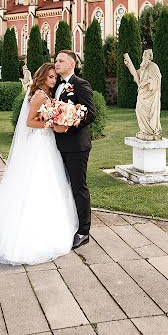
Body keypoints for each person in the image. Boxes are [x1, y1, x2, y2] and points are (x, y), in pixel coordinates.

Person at [0, 62, 78, 265]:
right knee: (38, 182)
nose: (54, 80)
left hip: (45, 142)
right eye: (51, 77)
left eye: (55, 77)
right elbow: (29, 122)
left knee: (50, 182)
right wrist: (51, 123)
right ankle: (29, 236)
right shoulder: (41, 94)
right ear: (42, 77)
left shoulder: (43, 93)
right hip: (39, 143)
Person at [54, 50, 96, 249]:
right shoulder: (55, 85)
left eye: (61, 61)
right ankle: (67, 223)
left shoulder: (81, 85)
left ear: (72, 64)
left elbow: (90, 114)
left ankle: (83, 232)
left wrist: (68, 124)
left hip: (76, 146)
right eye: (56, 60)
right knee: (61, 186)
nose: (56, 63)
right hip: (56, 145)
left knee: (79, 187)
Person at [124, 48, 162, 141]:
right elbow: (136, 75)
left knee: (150, 114)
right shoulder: (143, 67)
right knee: (138, 111)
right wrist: (129, 65)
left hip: (150, 95)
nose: (142, 57)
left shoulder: (153, 66)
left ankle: (151, 131)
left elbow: (157, 79)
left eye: (144, 56)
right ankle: (144, 131)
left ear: (149, 57)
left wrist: (147, 82)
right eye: (143, 56)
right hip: (142, 95)